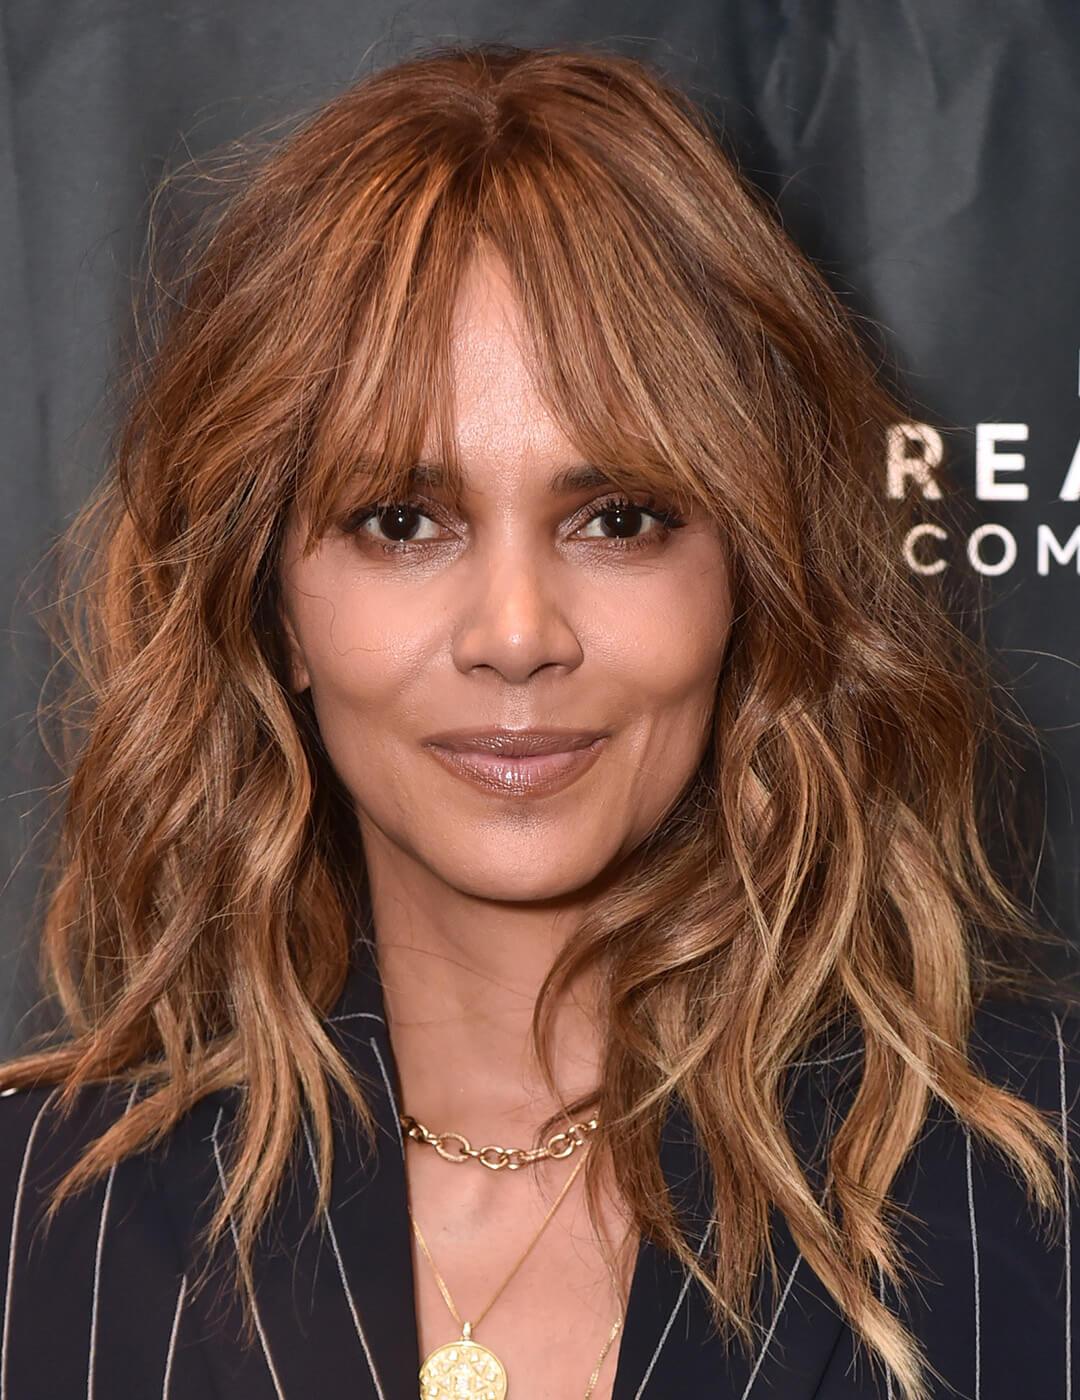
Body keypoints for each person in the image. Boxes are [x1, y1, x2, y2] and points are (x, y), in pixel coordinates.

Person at [0, 40, 1076, 1400]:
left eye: (619, 519)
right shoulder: (37, 1218)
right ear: (269, 601)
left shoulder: (1039, 1193)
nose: (517, 634)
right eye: (402, 521)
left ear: (754, 575)